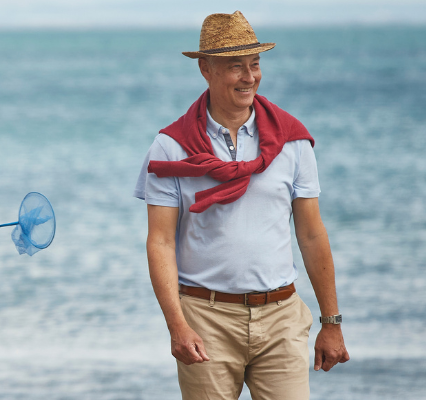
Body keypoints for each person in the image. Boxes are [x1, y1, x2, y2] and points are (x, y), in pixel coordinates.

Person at [135, 11, 350, 400]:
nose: (249, 77)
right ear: (206, 69)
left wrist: (331, 322)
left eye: (255, 65)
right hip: (205, 317)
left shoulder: (292, 142)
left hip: (282, 316)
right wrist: (177, 325)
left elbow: (312, 234)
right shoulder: (172, 147)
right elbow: (160, 242)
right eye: (236, 67)